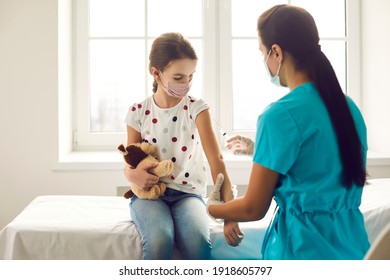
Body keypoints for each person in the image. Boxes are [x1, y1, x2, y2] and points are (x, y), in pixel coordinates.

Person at [207, 4, 370, 260]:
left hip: (302, 253)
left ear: (276, 52)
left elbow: (253, 208)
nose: (264, 60)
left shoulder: (279, 115)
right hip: (355, 249)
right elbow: (318, 159)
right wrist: (258, 148)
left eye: (263, 52)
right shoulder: (348, 107)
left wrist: (215, 208)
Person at [124, 32, 242, 260]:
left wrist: (230, 213)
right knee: (160, 241)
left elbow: (217, 161)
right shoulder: (138, 112)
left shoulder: (197, 109)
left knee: (198, 242)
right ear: (155, 73)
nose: (186, 84)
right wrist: (133, 175)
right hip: (149, 196)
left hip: (188, 194)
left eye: (191, 76)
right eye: (178, 77)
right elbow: (131, 162)